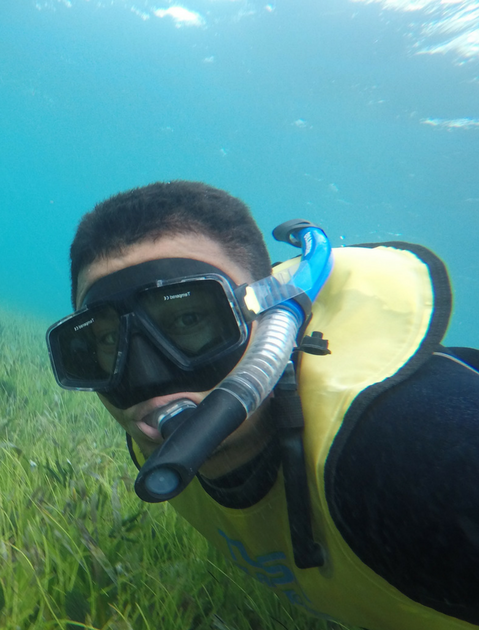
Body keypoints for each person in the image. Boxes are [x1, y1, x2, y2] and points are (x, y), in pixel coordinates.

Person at [45, 181, 479, 630]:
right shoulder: (153, 440)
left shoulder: (419, 452)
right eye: (109, 339)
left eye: (190, 318)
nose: (146, 380)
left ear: (271, 319)